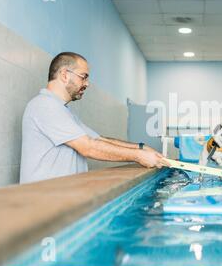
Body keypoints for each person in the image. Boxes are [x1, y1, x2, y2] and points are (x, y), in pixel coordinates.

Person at [20, 52, 166, 184]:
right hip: (44, 201)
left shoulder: (63, 110)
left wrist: (141, 148)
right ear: (65, 75)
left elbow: (98, 140)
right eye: (83, 77)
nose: (87, 84)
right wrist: (138, 156)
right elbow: (88, 147)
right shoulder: (45, 105)